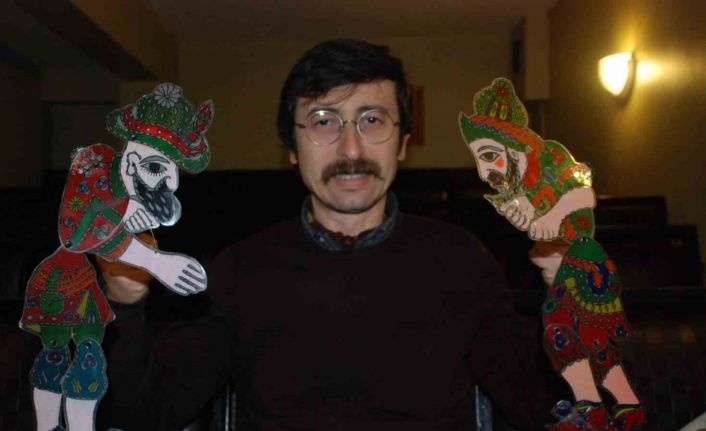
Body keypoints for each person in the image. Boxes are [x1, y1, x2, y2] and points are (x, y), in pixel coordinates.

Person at [102, 39, 558, 430]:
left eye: (372, 120)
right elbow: (145, 413)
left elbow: (543, 409)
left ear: (403, 143)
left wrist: (568, 294)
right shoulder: (242, 270)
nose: (351, 148)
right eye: (323, 121)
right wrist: (125, 304)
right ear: (292, 149)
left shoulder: (462, 262)